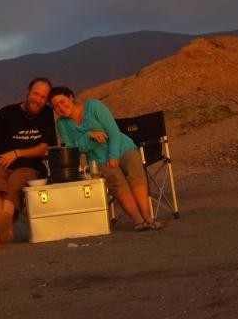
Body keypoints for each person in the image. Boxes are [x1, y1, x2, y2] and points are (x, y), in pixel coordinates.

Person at [48, 85, 162, 231]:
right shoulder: (62, 124)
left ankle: (148, 217)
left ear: (71, 97)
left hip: (121, 146)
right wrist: (89, 136)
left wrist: (113, 155)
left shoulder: (94, 106)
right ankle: (138, 220)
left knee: (134, 164)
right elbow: (73, 149)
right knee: (114, 178)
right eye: (56, 107)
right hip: (97, 158)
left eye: (62, 102)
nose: (61, 108)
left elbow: (113, 131)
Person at [0, 77, 56, 249]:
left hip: (27, 166)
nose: (38, 100)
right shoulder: (5, 114)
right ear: (27, 92)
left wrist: (17, 153)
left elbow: (44, 147)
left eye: (43, 97)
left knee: (16, 184)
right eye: (35, 94)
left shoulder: (46, 114)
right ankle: (3, 225)